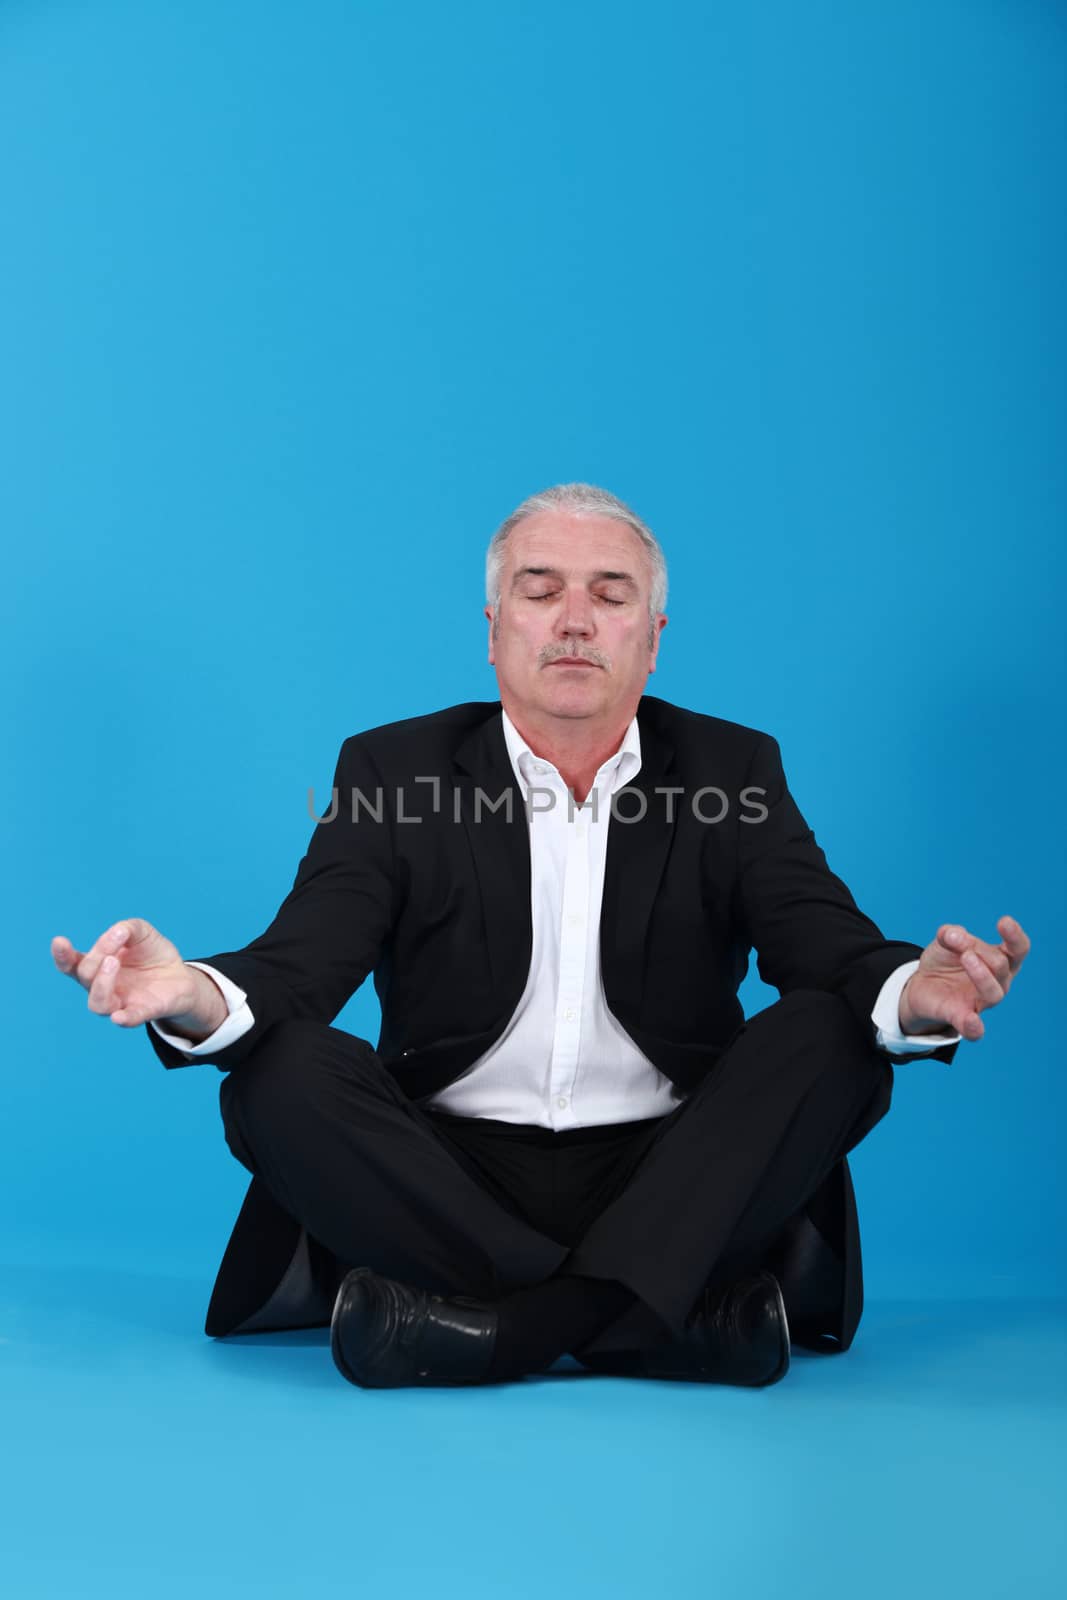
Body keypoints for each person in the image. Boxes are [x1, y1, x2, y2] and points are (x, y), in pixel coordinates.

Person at [51, 483, 1029, 1390]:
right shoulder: (393, 768)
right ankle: (654, 1320)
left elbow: (822, 938)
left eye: (609, 595)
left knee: (830, 1037)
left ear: (650, 641)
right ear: (494, 631)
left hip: (673, 1174)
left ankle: (505, 1331)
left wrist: (912, 990)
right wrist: (189, 992)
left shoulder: (733, 767)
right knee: (276, 1074)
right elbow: (301, 962)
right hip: (449, 1178)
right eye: (540, 588)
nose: (571, 619)